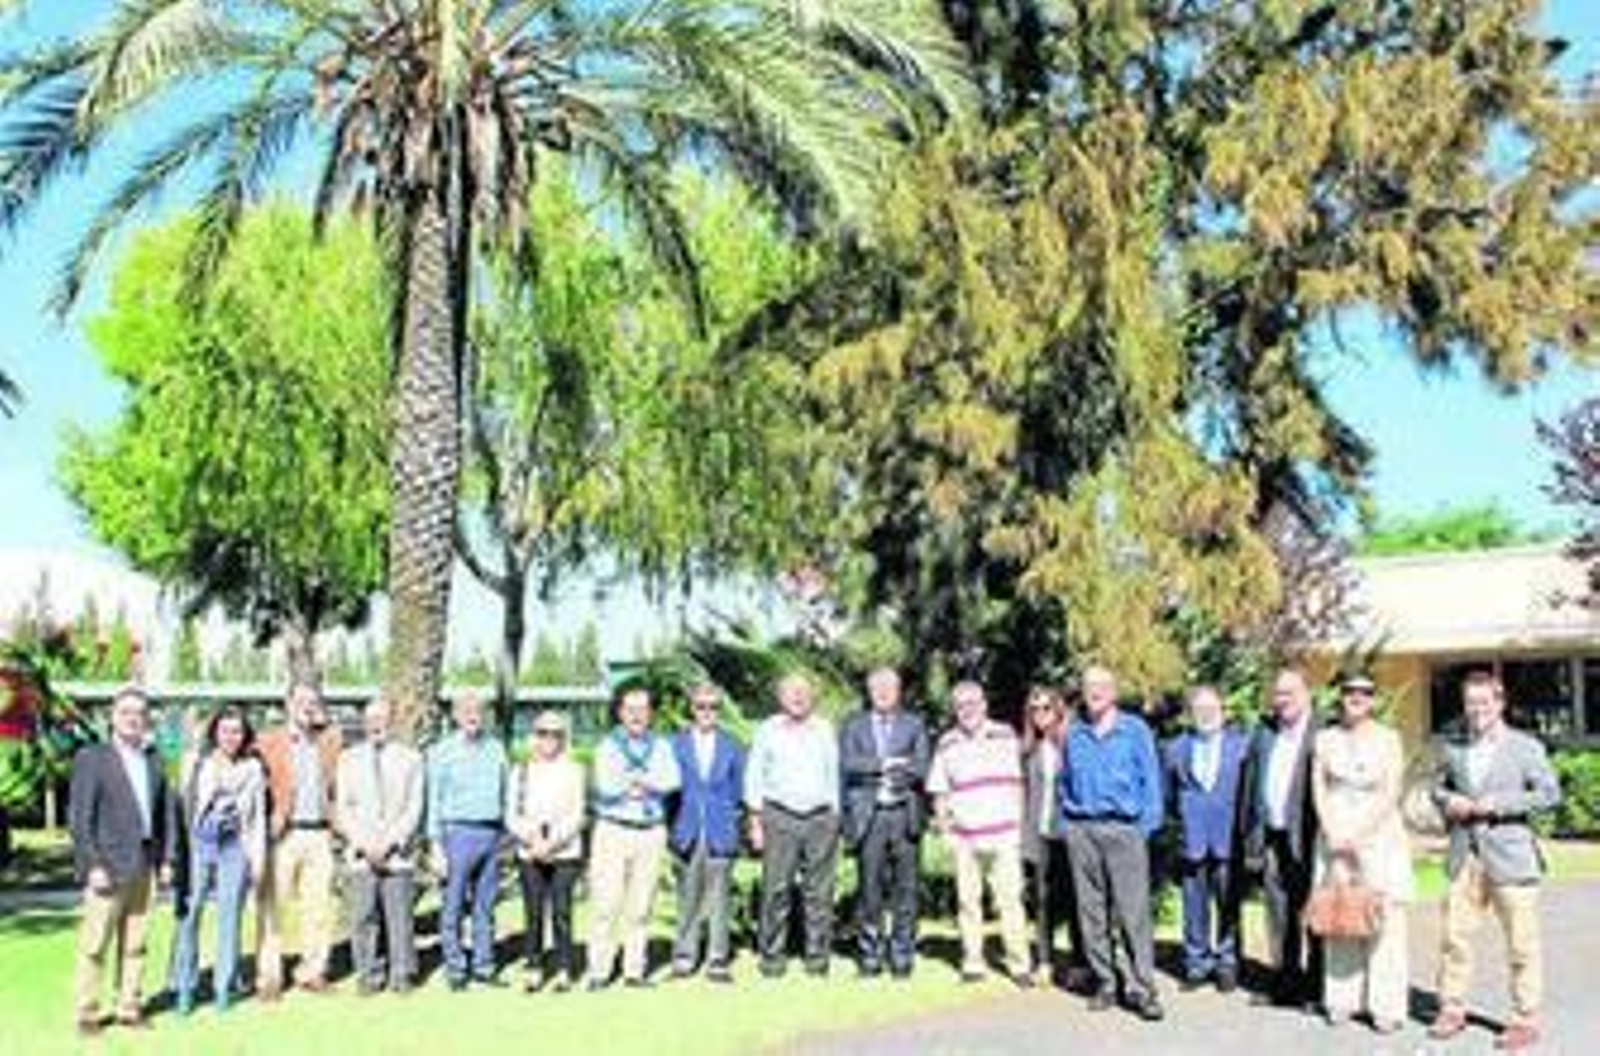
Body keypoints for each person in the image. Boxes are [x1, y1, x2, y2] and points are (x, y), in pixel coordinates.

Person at [1428, 671, 1562, 1050]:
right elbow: (1437, 789)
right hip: (1464, 855)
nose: (1477, 710)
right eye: (1471, 703)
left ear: (1499, 703)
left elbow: (1549, 793)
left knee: (1522, 944)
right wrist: (1446, 801)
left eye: (1484, 702)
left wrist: (1499, 804)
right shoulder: (1453, 747)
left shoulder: (1525, 747)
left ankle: (1524, 1017)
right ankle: (1451, 1008)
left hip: (1512, 857)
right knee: (1454, 938)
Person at [68, 687, 177, 1036]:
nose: (133, 718)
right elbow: (79, 818)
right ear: (113, 716)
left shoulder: (154, 760)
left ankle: (129, 1008)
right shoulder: (92, 757)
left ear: (146, 719)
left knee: (136, 944)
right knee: (95, 943)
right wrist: (92, 863)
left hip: (145, 864)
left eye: (139, 712)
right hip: (107, 867)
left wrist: (167, 860)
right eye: (126, 711)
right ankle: (87, 1012)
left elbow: (167, 817)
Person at [1058, 665, 1164, 1021]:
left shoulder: (1135, 730)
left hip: (1125, 831)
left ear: (1114, 691)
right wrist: (1068, 825)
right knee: (1091, 914)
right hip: (1083, 831)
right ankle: (1105, 982)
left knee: (1133, 914)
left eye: (1102, 686)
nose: (1095, 692)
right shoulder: (1074, 733)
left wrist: (1144, 829)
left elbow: (1152, 781)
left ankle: (1143, 988)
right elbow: (1063, 782)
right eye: (1089, 686)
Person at [1310, 673, 1414, 1033]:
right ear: (1340, 697)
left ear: (1373, 699)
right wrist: (1333, 832)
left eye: (1364, 693)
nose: (1356, 697)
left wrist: (1360, 834)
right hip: (1334, 837)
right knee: (1339, 914)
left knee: (1383, 919)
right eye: (1350, 692)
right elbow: (1318, 788)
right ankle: (1341, 999)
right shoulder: (1325, 738)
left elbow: (1391, 790)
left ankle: (1386, 1005)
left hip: (1378, 837)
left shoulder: (1389, 739)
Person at [927, 680, 1034, 988]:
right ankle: (973, 963)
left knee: (1010, 901)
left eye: (973, 702)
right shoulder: (947, 743)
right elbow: (940, 791)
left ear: (984, 704)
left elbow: (1018, 784)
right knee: (967, 903)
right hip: (965, 838)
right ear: (955, 710)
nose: (967, 709)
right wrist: (946, 831)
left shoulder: (1005, 735)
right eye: (960, 705)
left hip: (1004, 835)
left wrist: (1019, 826)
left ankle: (1019, 965)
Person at [745, 673, 840, 979]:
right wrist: (756, 822)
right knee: (776, 890)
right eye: (791, 692)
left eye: (803, 691)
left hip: (820, 818)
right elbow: (754, 777)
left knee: (820, 893)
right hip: (779, 816)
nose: (798, 697)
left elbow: (834, 774)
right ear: (780, 697)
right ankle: (772, 959)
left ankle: (818, 959)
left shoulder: (825, 729)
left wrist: (835, 816)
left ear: (812, 696)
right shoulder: (767, 730)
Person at [173, 706, 267, 1015]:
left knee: (230, 918)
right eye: (225, 730)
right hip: (199, 844)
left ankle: (223, 988)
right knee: (191, 915)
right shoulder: (196, 762)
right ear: (215, 732)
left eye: (237, 731)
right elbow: (182, 807)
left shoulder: (253, 768)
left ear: (245, 735)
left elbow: (256, 821)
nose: (231, 737)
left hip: (235, 847)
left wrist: (258, 859)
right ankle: (184, 987)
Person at [587, 686, 682, 989]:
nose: (637, 715)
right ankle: (600, 971)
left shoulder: (663, 746)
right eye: (630, 709)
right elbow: (606, 785)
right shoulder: (608, 746)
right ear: (620, 712)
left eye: (642, 709)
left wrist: (638, 782)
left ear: (650, 713)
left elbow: (672, 781)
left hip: (651, 832)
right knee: (606, 903)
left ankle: (633, 971)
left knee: (641, 906)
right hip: (613, 830)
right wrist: (645, 783)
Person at [839, 667, 930, 979]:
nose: (883, 693)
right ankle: (870, 957)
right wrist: (885, 764)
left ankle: (902, 957)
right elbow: (848, 764)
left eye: (889, 688)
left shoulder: (914, 724)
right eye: (877, 688)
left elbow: (922, 767)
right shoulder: (853, 725)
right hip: (870, 816)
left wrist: (898, 770)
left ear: (899, 690)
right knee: (870, 892)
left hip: (906, 815)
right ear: (869, 691)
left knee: (906, 891)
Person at [255, 681, 343, 999]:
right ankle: (269, 977)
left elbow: (336, 787)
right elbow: (255, 786)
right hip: (284, 834)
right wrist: (266, 822)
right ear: (288, 703)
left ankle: (312, 971)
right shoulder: (269, 742)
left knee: (318, 908)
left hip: (320, 833)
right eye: (301, 700)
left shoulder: (329, 742)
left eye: (312, 701)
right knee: (273, 909)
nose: (307, 706)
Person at [335, 697, 425, 996]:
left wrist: (391, 843)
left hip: (396, 854)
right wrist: (363, 843)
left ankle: (401, 975)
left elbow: (414, 807)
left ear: (392, 722)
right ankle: (368, 975)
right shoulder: (348, 759)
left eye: (382, 719)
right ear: (364, 723)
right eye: (371, 719)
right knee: (363, 917)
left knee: (399, 917)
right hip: (361, 853)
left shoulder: (411, 759)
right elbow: (343, 807)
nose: (376, 725)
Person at [1164, 685, 1251, 992]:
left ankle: (1227, 963)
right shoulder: (1175, 748)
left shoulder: (1242, 746)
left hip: (1229, 839)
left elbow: (1248, 796)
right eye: (1199, 710)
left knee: (1228, 905)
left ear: (1223, 712)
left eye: (1212, 709)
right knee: (1193, 906)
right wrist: (1183, 827)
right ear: (1190, 714)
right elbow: (1169, 797)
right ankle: (1196, 964)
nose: (1206, 715)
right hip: (1193, 839)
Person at [1248, 666, 1323, 1009]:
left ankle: (1316, 987)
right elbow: (1252, 787)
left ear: (1307, 694)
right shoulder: (1265, 732)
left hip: (1310, 838)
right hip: (1273, 837)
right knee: (1278, 912)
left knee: (1312, 912)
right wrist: (1252, 838)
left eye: (1290, 693)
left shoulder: (1323, 732)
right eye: (1278, 693)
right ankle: (1284, 982)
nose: (1282, 700)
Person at [427, 693, 509, 990]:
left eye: (478, 710)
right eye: (466, 710)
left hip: (491, 832)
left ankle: (484, 966)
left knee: (485, 907)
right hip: (456, 833)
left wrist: (506, 835)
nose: (473, 715)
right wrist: (435, 845)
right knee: (453, 905)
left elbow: (505, 792)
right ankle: (456, 968)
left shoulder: (496, 749)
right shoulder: (441, 751)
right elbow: (433, 800)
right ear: (456, 716)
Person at [669, 684, 746, 983]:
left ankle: (717, 959)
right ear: (692, 708)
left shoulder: (733, 745)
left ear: (719, 709)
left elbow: (739, 791)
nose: (707, 712)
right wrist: (672, 829)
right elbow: (668, 793)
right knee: (687, 898)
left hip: (720, 830)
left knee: (719, 899)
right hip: (687, 829)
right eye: (701, 706)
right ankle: (685, 957)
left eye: (713, 706)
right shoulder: (676, 744)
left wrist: (733, 824)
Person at [506, 708, 586, 993]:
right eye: (543, 733)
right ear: (534, 736)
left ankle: (564, 967)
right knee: (534, 912)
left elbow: (578, 814)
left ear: (563, 738)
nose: (548, 739)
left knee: (562, 912)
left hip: (564, 852)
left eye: (555, 734)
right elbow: (511, 814)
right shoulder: (521, 771)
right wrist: (532, 840)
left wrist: (553, 842)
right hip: (530, 852)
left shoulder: (575, 770)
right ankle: (534, 966)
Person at [1021, 685, 1087, 990]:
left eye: (1046, 707)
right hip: (1041, 833)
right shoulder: (1030, 749)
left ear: (1058, 709)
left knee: (1076, 900)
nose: (1040, 714)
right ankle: (1045, 961)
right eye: (1034, 709)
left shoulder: (1073, 742)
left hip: (1069, 833)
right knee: (1042, 902)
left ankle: (1079, 963)